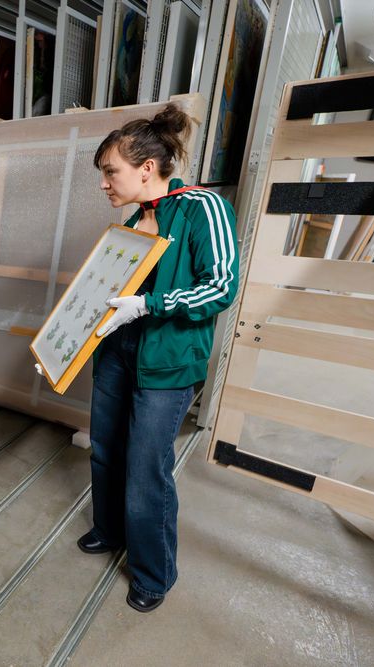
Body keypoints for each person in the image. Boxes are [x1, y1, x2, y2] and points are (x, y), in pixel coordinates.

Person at [78, 104, 238, 612]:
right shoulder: (133, 220)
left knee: (147, 466)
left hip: (167, 361)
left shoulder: (203, 208)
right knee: (106, 447)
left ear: (146, 168)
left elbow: (221, 286)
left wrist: (151, 303)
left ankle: (153, 572)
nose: (104, 183)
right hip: (120, 350)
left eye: (111, 172)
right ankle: (109, 529)